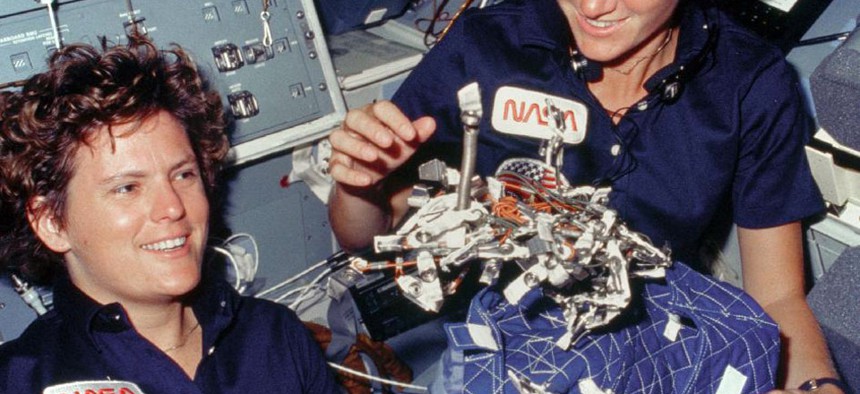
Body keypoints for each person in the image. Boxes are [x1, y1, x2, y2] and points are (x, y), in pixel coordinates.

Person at [327, 0, 844, 392]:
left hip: (653, 355)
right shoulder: (484, 45)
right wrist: (358, 183)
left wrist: (819, 387)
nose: (594, 7)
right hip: (498, 354)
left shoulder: (749, 80)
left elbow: (776, 297)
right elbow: (365, 237)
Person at [0, 35, 338, 393]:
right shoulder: (19, 382)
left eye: (183, 175)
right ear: (52, 222)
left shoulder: (275, 336)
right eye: (127, 188)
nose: (174, 207)